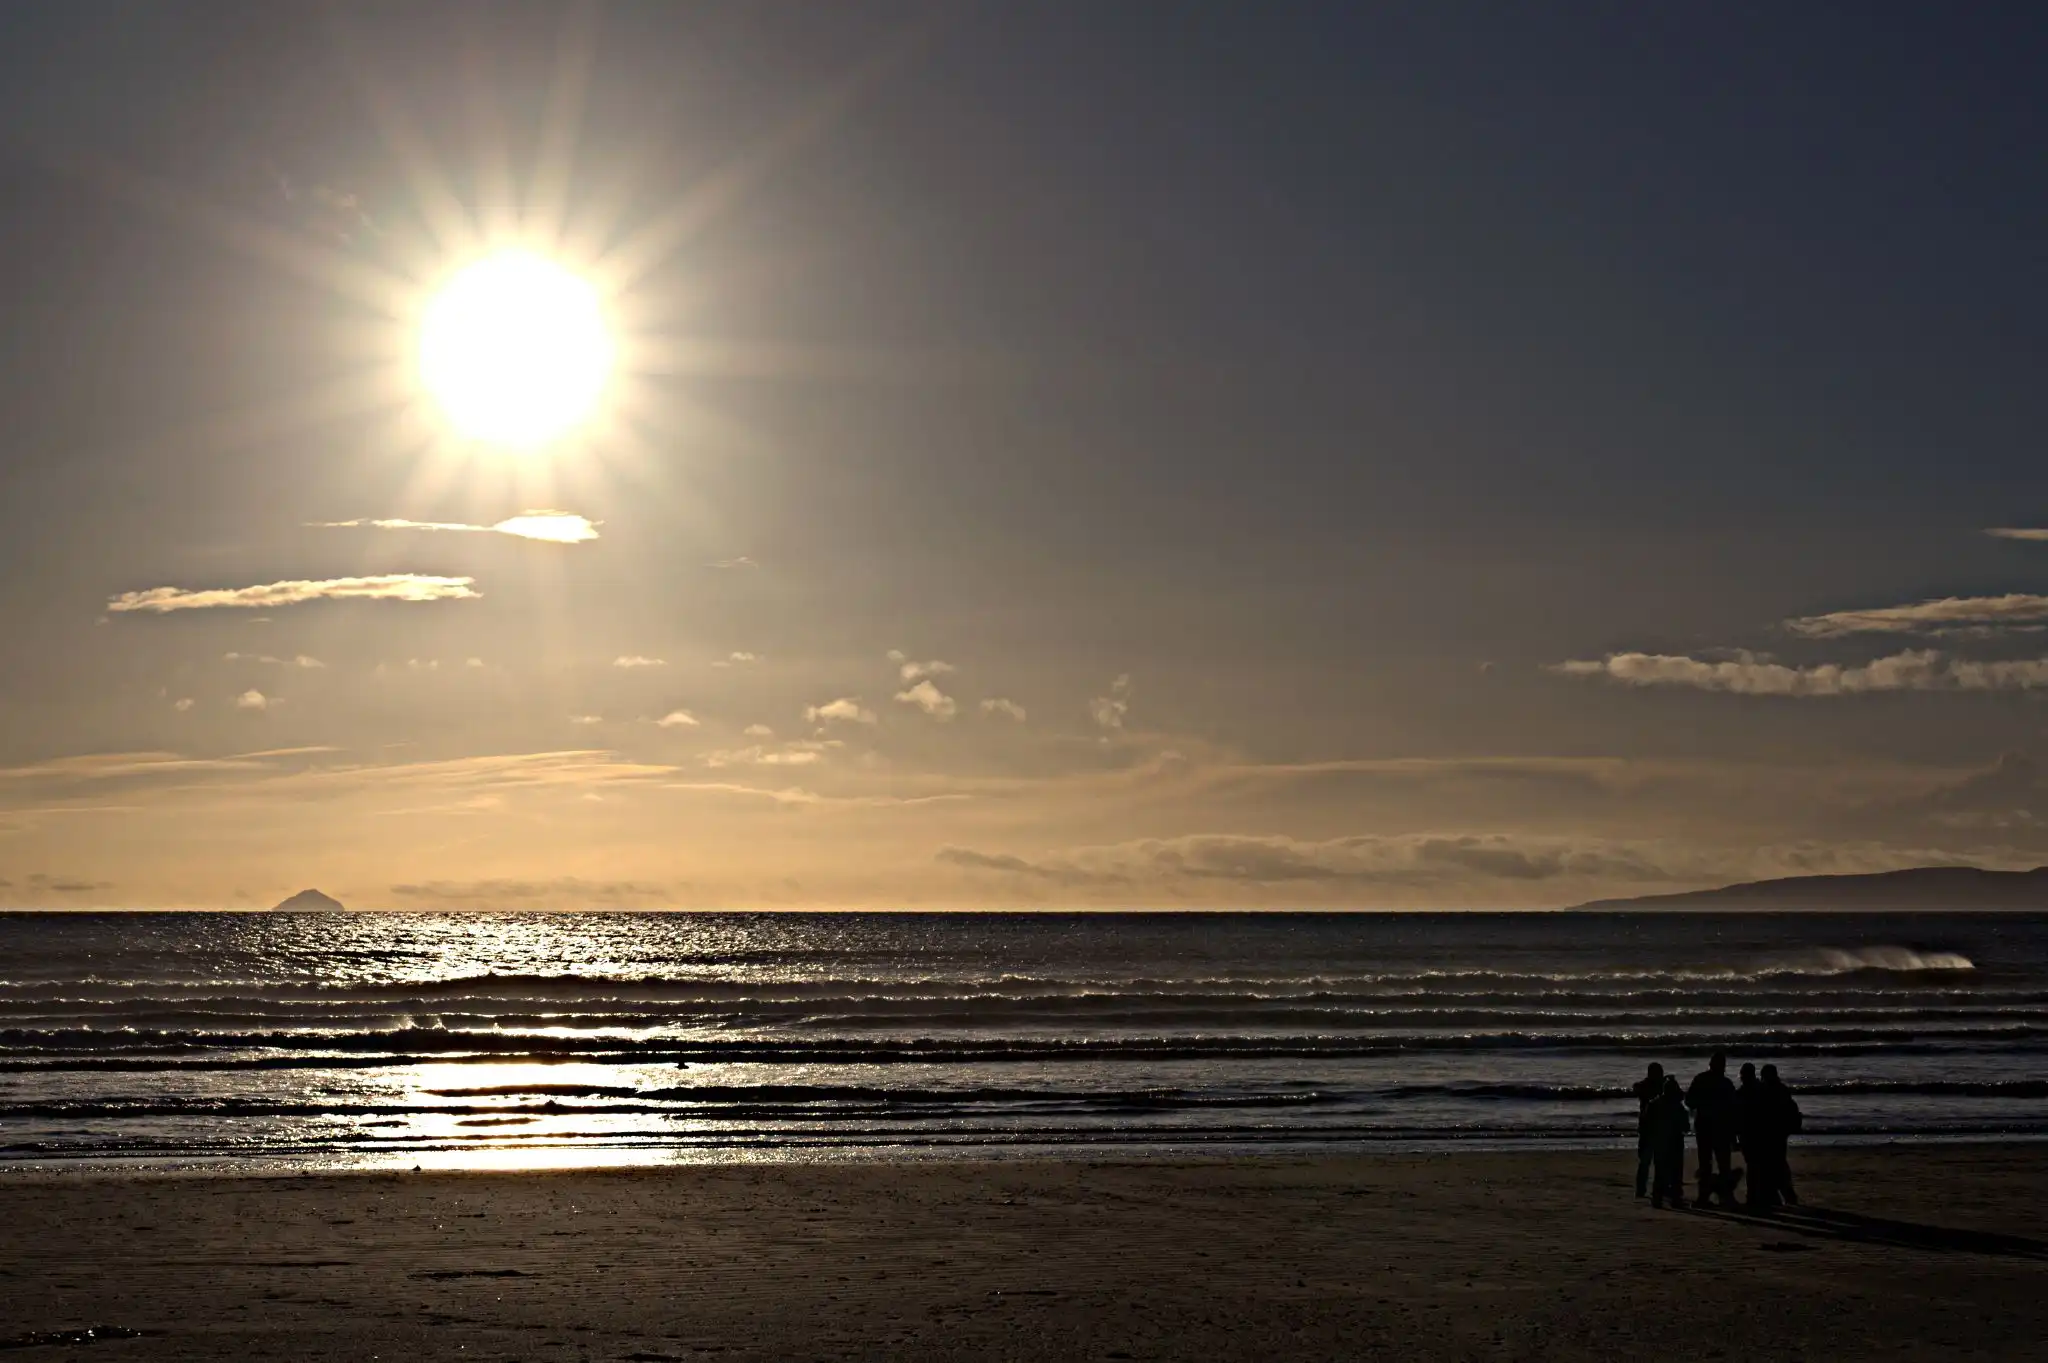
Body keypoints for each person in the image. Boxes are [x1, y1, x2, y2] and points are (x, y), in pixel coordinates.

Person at [1685, 1051, 1739, 1207]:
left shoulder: (1701, 1079)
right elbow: (1733, 1109)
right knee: (1723, 1164)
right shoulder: (1726, 1083)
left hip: (1705, 1127)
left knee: (1706, 1164)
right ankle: (1726, 1197)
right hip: (1721, 1128)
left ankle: (1704, 1197)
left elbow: (1689, 1101)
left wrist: (1701, 1105)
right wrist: (1734, 1133)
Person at [1735, 1061, 1776, 1210]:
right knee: (1761, 1165)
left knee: (1753, 1165)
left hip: (1749, 1133)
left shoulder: (1741, 1093)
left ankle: (1754, 1196)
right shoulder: (1762, 1089)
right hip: (1761, 1133)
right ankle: (1762, 1196)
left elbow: (1735, 1116)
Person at [1761, 1064, 1802, 1207]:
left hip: (1770, 1132)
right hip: (1780, 1132)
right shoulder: (1782, 1089)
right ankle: (1785, 1195)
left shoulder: (1765, 1090)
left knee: (1772, 1165)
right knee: (1778, 1163)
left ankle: (1781, 1195)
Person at [1648, 1074, 1691, 1209]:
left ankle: (1657, 1198)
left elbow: (1648, 1123)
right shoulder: (1677, 1107)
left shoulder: (1654, 1104)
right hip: (1675, 1141)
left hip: (1660, 1140)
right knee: (1676, 1171)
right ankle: (1675, 1198)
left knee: (1660, 1170)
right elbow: (1686, 1127)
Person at [1631, 1062, 1666, 1197]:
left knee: (1651, 1161)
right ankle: (1648, 1189)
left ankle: (1647, 1189)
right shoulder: (1654, 1087)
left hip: (1652, 1128)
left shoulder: (1656, 1086)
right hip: (1651, 1128)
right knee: (1651, 1161)